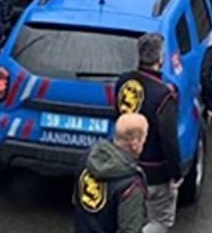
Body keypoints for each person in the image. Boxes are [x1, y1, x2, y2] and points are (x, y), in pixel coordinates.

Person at [114, 34, 182, 233]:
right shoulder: (163, 94)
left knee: (130, 216)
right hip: (154, 172)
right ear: (160, 58)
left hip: (124, 164)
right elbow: (169, 139)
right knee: (161, 221)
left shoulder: (123, 82)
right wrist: (175, 173)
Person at [74, 113, 150, 233]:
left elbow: (77, 202)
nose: (145, 141)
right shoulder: (130, 187)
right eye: (145, 136)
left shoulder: (88, 159)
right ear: (135, 143)